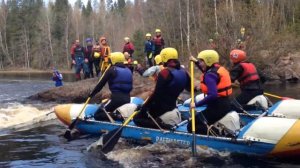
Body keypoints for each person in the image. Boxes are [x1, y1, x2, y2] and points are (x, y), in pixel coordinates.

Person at [133, 48, 191, 129]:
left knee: (137, 118)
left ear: (165, 58)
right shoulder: (184, 72)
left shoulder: (165, 72)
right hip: (173, 105)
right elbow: (191, 89)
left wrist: (144, 107)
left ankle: (164, 127)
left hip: (161, 107)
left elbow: (156, 94)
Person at [188, 50, 232, 135]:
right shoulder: (217, 69)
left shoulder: (210, 75)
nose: (200, 63)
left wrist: (196, 104)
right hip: (225, 104)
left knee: (190, 126)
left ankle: (218, 133)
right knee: (200, 120)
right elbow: (206, 70)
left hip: (217, 107)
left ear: (208, 61)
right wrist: (195, 61)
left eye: (201, 61)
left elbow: (213, 95)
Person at [90, 52, 133, 121]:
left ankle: (116, 116)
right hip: (127, 99)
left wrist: (92, 94)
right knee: (109, 107)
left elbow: (100, 84)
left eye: (110, 59)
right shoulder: (128, 70)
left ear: (113, 60)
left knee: (98, 115)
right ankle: (116, 115)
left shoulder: (112, 70)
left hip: (116, 99)